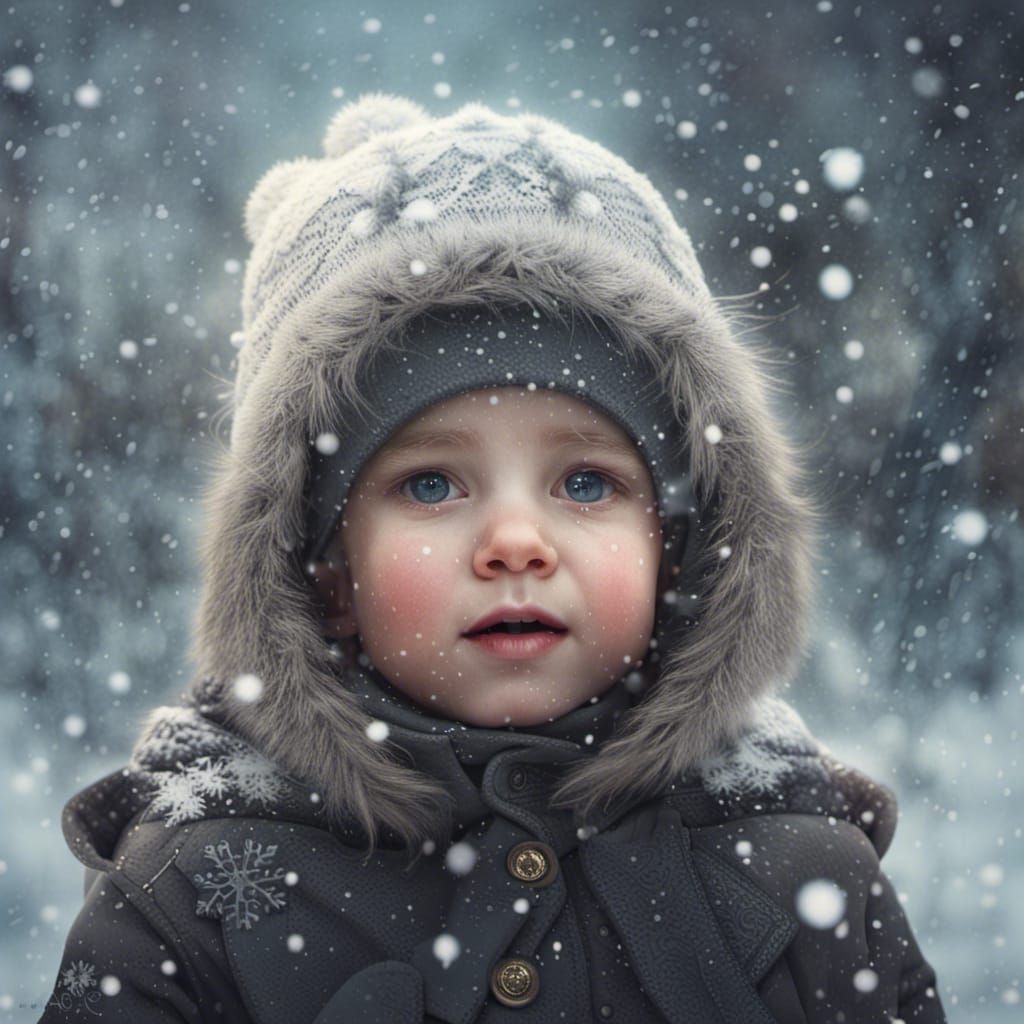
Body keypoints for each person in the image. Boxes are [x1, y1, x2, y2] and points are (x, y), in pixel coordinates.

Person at [39, 94, 946, 1023]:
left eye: (587, 483)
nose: (517, 541)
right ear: (325, 576)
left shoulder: (806, 873)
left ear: (680, 552)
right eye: (432, 485)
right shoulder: (194, 891)